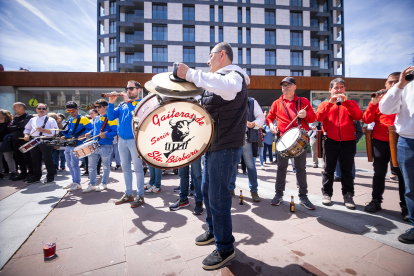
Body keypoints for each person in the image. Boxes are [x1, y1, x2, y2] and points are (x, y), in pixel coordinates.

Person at [176, 42, 248, 269]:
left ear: (222, 55)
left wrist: (189, 73)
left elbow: (227, 87)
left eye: (210, 56)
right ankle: (214, 231)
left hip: (225, 146)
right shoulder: (217, 80)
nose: (207, 61)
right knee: (207, 192)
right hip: (214, 145)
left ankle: (225, 247)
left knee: (218, 197)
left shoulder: (233, 75)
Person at [362, 72, 408, 220]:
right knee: (379, 173)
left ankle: (406, 207)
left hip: (401, 140)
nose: (393, 85)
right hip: (380, 141)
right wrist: (372, 104)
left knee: (402, 175)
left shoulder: (406, 97)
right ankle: (376, 201)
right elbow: (366, 119)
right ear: (386, 84)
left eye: (396, 82)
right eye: (390, 82)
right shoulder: (381, 100)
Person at [266, 77, 316, 210]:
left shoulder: (303, 101)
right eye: (283, 85)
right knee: (281, 168)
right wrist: (271, 126)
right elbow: (269, 118)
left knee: (300, 168)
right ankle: (278, 195)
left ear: (295, 87)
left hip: (299, 140)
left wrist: (305, 114)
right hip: (282, 140)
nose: (285, 87)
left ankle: (303, 197)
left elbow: (313, 117)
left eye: (288, 85)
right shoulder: (276, 103)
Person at [315, 78, 363, 210]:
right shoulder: (324, 104)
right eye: (336, 87)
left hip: (348, 142)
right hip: (330, 141)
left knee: (347, 171)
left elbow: (358, 116)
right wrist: (330, 104)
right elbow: (318, 118)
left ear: (345, 89)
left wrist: (347, 104)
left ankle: (348, 195)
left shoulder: (351, 103)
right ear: (330, 90)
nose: (339, 90)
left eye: (341, 87)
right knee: (328, 170)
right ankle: (327, 194)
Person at [379, 66, 414, 244]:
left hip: (400, 140)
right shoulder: (404, 86)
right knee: (410, 186)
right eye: (390, 82)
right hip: (408, 141)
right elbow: (383, 111)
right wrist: (400, 85)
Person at [108, 81, 146, 208]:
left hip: (135, 141)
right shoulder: (123, 104)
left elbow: (136, 116)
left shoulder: (142, 104)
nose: (128, 91)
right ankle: (129, 193)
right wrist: (111, 102)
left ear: (139, 90)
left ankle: (140, 195)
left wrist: (128, 101)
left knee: (138, 169)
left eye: (131, 88)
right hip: (122, 141)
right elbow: (110, 117)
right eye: (127, 88)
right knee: (125, 169)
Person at [229, 97, 265, 202]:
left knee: (251, 166)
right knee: (232, 165)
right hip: (233, 139)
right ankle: (230, 189)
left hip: (246, 140)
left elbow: (261, 117)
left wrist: (253, 124)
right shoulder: (229, 99)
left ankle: (254, 190)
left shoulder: (252, 101)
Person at [82, 99, 118, 193]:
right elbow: (94, 129)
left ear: (105, 107)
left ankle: (104, 184)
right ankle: (92, 184)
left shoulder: (111, 118)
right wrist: (89, 133)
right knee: (91, 166)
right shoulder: (97, 118)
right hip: (94, 144)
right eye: (96, 107)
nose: (97, 108)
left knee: (106, 165)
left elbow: (114, 132)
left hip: (106, 145)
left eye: (99, 107)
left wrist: (106, 135)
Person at [61, 101, 93, 191]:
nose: (71, 112)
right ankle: (74, 181)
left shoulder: (84, 119)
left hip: (78, 145)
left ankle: (77, 182)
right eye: (68, 111)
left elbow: (92, 130)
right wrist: (64, 136)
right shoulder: (70, 120)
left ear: (77, 109)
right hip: (70, 144)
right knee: (69, 164)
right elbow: (71, 132)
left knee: (74, 164)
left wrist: (84, 136)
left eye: (72, 110)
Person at [23, 103, 58, 184]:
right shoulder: (32, 119)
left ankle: (50, 177)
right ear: (36, 109)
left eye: (43, 109)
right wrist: (26, 135)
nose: (41, 110)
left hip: (46, 140)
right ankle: (36, 176)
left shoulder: (51, 120)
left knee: (48, 158)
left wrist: (43, 130)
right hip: (34, 140)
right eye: (39, 108)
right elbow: (27, 129)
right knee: (35, 159)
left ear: (46, 110)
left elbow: (55, 132)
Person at [8, 102, 33, 181]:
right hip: (15, 140)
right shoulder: (15, 117)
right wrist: (18, 124)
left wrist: (17, 122)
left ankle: (31, 173)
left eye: (14, 107)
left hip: (25, 140)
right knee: (18, 158)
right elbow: (9, 127)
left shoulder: (29, 116)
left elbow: (24, 126)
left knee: (27, 157)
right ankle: (23, 173)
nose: (13, 109)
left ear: (21, 107)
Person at [82, 109, 101, 177]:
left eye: (92, 113)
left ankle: (98, 171)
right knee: (88, 156)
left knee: (98, 157)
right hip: (90, 140)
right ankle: (87, 170)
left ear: (97, 113)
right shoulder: (89, 121)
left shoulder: (99, 120)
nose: (91, 115)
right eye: (90, 114)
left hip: (97, 140)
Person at [0, 109, 16, 180]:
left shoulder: (9, 123)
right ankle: (0, 173)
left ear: (4, 115)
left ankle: (13, 172)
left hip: (6, 143)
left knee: (8, 158)